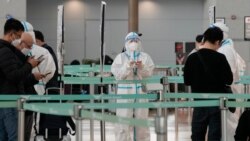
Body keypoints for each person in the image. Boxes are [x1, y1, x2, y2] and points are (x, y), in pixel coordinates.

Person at [184, 26, 233, 141]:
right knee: (215, 136)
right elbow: (229, 80)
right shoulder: (220, 57)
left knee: (197, 135)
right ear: (217, 42)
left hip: (199, 103)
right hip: (217, 103)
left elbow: (187, 81)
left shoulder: (192, 58)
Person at [0, 18, 39, 141]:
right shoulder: (5, 51)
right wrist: (30, 66)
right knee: (14, 136)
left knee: (6, 135)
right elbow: (13, 76)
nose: (18, 39)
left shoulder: (7, 50)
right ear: (11, 34)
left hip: (6, 99)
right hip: (9, 100)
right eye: (18, 36)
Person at [111, 32, 154, 141]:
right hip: (125, 94)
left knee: (142, 123)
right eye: (131, 41)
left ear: (139, 42)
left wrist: (141, 67)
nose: (134, 43)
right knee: (122, 123)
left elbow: (149, 73)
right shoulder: (120, 58)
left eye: (136, 41)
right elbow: (118, 75)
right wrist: (127, 66)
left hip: (141, 93)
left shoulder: (145, 57)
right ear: (126, 43)